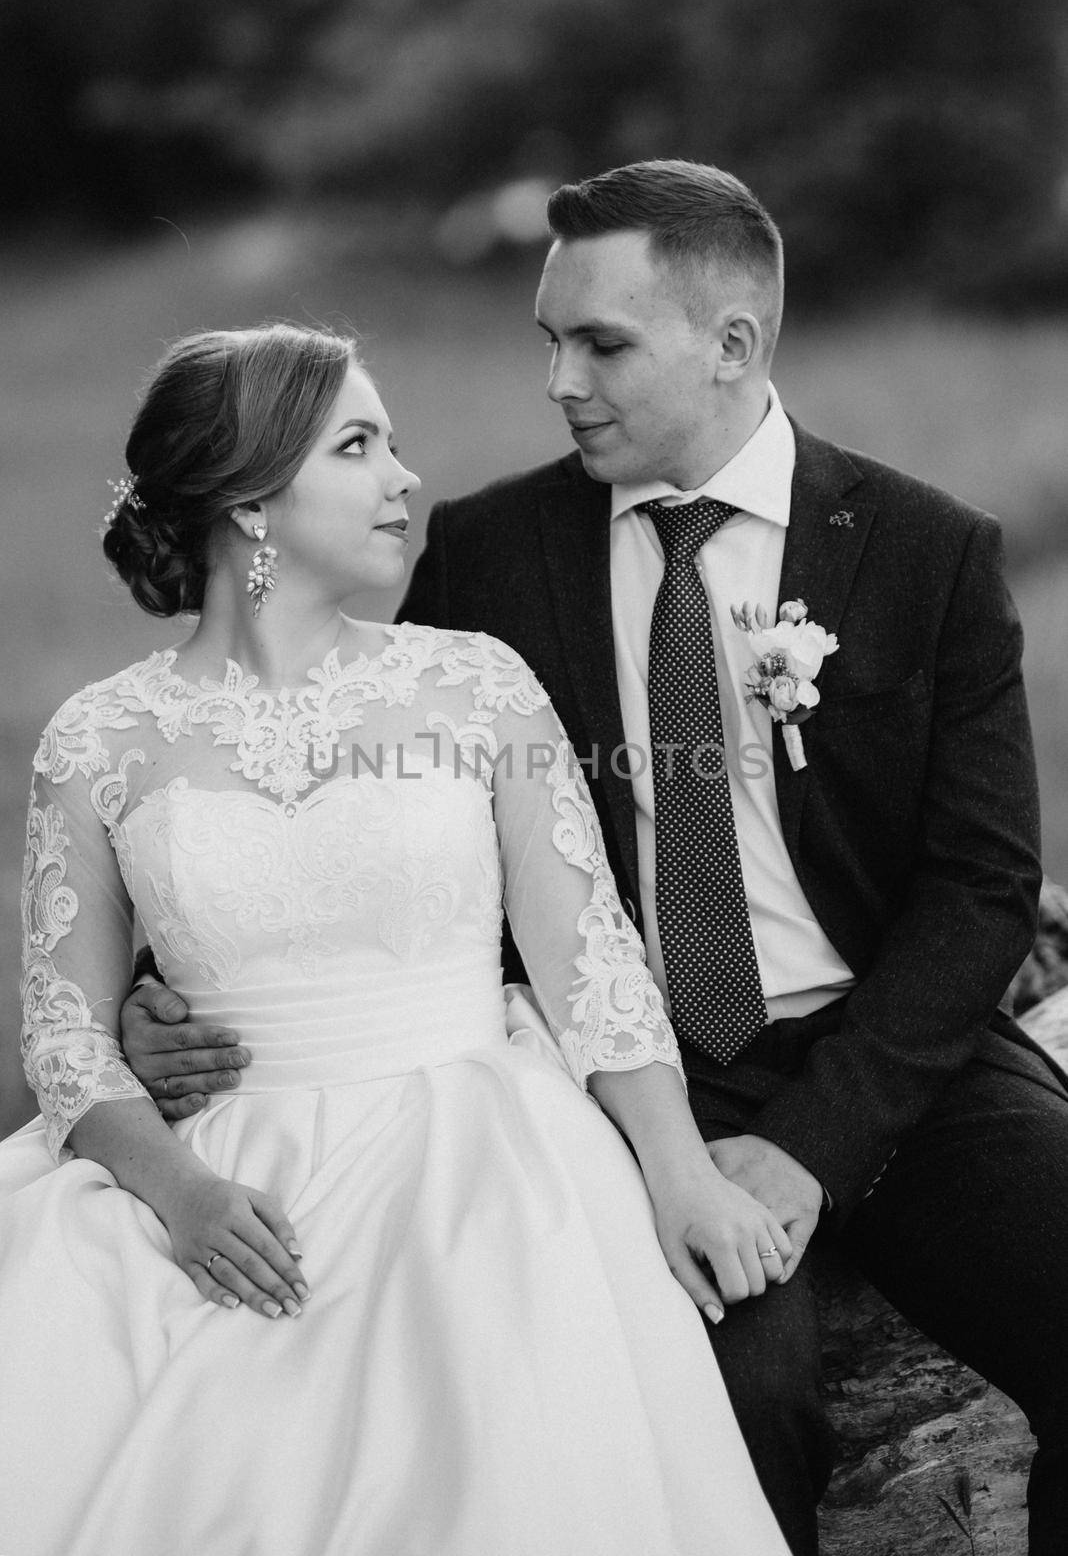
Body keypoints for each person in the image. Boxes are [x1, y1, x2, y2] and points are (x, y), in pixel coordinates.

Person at [122, 165, 1068, 1556]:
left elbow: (982, 887)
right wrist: (168, 987)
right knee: (729, 1399)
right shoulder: (493, 552)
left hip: (896, 1058)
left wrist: (812, 1150)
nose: (560, 379)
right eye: (548, 343)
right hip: (615, 1076)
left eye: (603, 345)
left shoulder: (924, 552)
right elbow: (337, 787)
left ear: (734, 345)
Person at [0, 322, 793, 1556]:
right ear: (250, 499)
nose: (404, 479)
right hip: (226, 1181)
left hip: (482, 1155)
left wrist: (678, 1168)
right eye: (358, 446)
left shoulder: (478, 686)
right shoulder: (98, 740)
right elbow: (62, 1033)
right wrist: (184, 1194)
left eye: (394, 444)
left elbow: (593, 971)